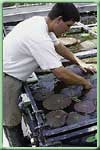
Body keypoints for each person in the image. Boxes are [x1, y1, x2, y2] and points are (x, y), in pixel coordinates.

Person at [3, 3, 96, 147]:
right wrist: (84, 83)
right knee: (10, 119)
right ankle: (18, 145)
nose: (68, 30)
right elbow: (60, 73)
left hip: (12, 71)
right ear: (59, 20)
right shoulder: (38, 36)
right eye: (68, 25)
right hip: (6, 77)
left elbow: (59, 46)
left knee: (13, 114)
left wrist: (79, 62)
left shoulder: (41, 23)